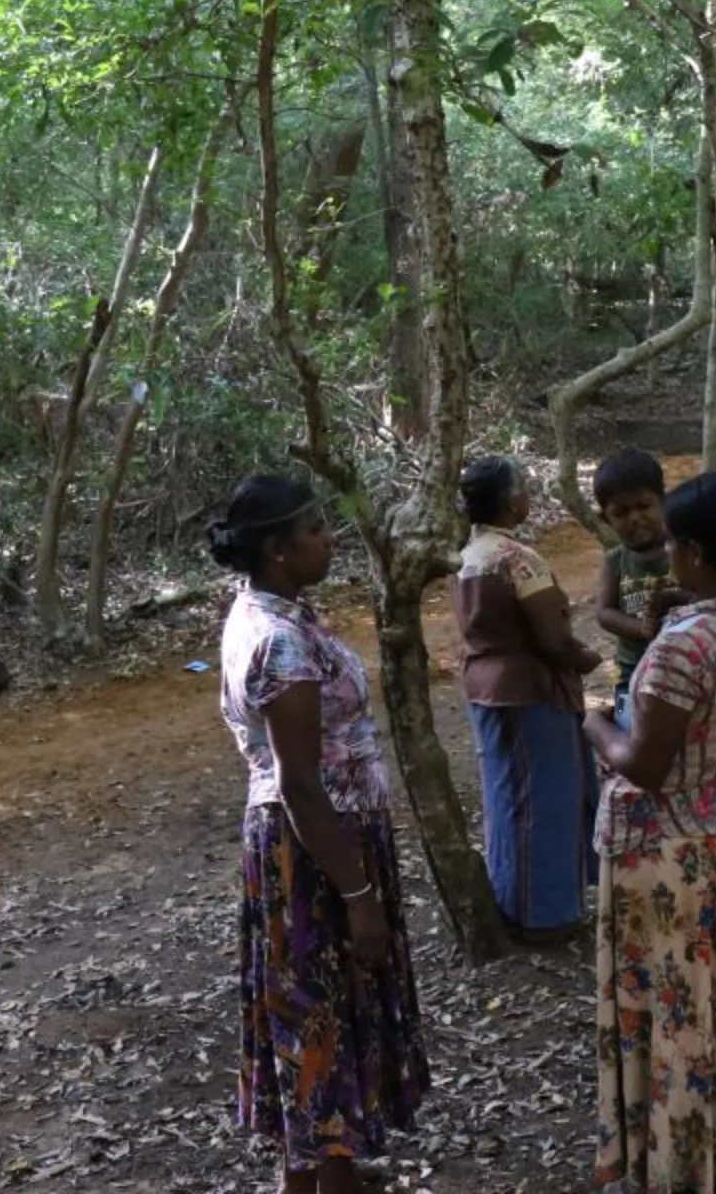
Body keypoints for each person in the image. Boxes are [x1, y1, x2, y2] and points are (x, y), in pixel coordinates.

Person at [582, 471, 716, 1194]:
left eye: (674, 541)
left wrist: (590, 721)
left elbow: (643, 765)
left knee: (676, 1009)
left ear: (697, 550)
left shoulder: (687, 647)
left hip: (669, 857)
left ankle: (678, 1166)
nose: (664, 551)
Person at [212, 476, 430, 1193]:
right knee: (317, 1012)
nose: (328, 539)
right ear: (277, 550)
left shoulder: (269, 611)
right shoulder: (279, 643)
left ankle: (321, 1172)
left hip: (320, 840)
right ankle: (320, 1179)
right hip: (314, 849)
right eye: (314, 530)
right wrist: (358, 893)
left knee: (318, 1011)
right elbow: (301, 782)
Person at [455, 455, 605, 942]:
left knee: (506, 796)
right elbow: (552, 640)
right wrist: (588, 660)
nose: (526, 496)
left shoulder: (468, 555)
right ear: (508, 500)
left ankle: (513, 900)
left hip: (488, 689)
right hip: (530, 692)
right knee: (545, 800)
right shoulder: (516, 558)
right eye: (520, 488)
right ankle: (546, 915)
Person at [590, 448, 685, 731]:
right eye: (621, 512)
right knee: (632, 729)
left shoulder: (680, 550)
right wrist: (639, 628)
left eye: (643, 507)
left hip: (684, 664)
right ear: (605, 518)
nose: (634, 518)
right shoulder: (615, 561)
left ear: (663, 503)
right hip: (634, 670)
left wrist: (676, 602)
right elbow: (605, 612)